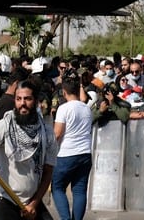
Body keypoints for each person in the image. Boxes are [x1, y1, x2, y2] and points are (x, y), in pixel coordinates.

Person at [0, 83, 56, 220]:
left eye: (27, 99)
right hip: (4, 198)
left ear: (36, 102)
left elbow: (48, 171)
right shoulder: (4, 125)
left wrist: (34, 204)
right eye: (18, 99)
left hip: (31, 202)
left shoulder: (47, 132)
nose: (22, 104)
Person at [51, 79, 92, 220]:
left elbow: (57, 133)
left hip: (67, 154)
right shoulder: (86, 108)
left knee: (57, 187)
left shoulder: (64, 108)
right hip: (85, 153)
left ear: (64, 92)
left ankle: (66, 218)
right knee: (80, 190)